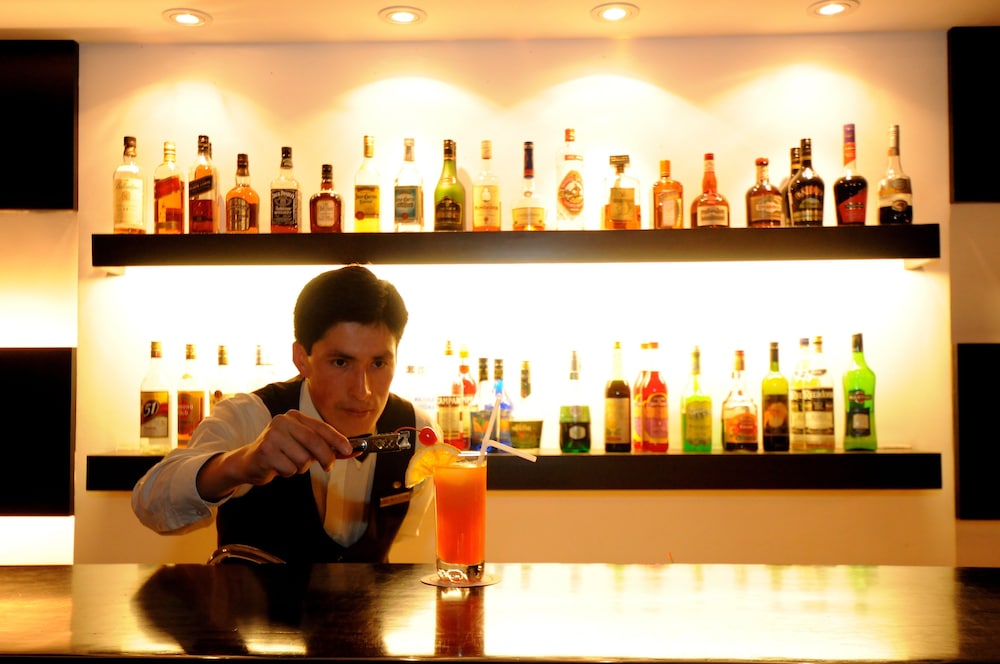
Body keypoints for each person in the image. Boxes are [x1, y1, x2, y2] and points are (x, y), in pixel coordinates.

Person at [132, 265, 435, 564]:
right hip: (248, 599)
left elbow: (395, 542)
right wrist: (241, 464)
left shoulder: (417, 433)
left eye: (379, 363)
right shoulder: (250, 416)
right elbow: (149, 504)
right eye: (341, 362)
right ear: (301, 359)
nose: (362, 391)